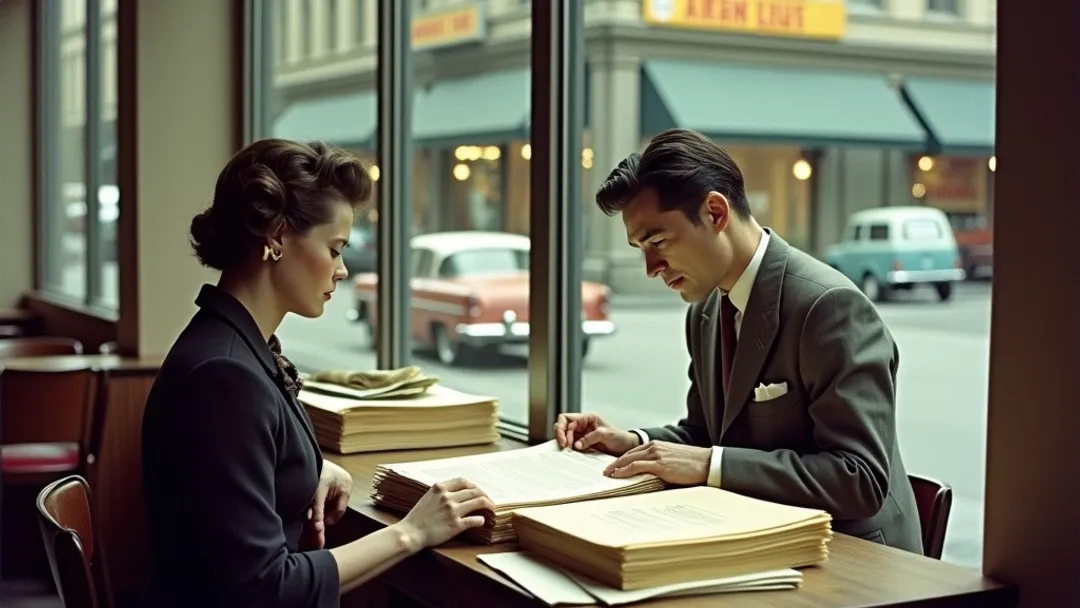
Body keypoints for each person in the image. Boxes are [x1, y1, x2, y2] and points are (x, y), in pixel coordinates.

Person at [141, 139, 495, 607]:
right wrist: (412, 532)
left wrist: (307, 469)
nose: (342, 270)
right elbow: (264, 588)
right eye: (334, 249)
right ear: (276, 236)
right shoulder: (224, 375)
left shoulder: (232, 346)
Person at [554, 129, 923, 554]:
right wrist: (631, 442)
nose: (651, 267)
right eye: (641, 247)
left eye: (658, 241)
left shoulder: (829, 307)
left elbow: (859, 479)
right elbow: (704, 434)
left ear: (715, 212)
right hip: (763, 539)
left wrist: (709, 464)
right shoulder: (705, 311)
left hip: (856, 556)